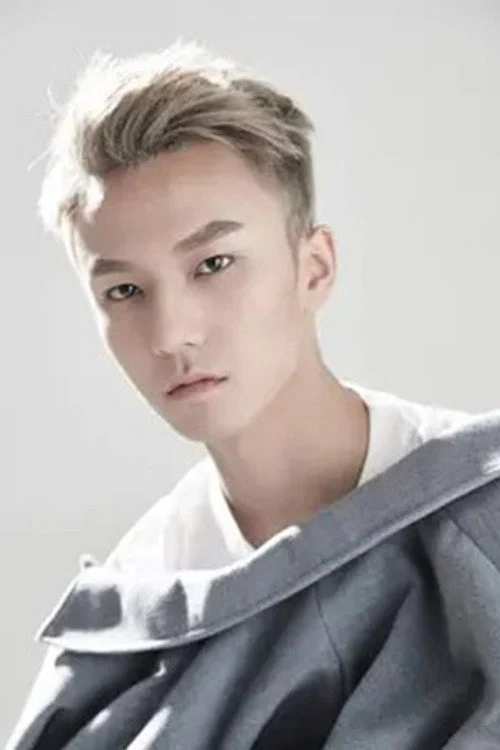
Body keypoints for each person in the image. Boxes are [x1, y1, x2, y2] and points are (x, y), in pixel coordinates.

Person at [7, 38, 500, 749]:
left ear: (314, 267)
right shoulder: (126, 629)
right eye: (124, 291)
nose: (172, 333)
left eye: (213, 263)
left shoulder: (479, 514)